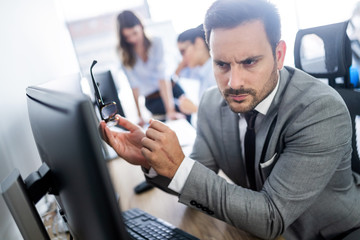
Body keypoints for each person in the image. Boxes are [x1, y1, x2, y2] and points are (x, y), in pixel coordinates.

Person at [101, 1, 360, 239]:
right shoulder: (212, 104)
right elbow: (193, 177)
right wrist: (155, 160)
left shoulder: (320, 111)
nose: (233, 83)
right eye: (221, 64)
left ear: (279, 55)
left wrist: (179, 168)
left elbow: (271, 217)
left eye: (249, 62)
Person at [116, 10, 187, 126]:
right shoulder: (125, 55)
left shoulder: (156, 42)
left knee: (183, 110)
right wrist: (139, 116)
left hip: (171, 90)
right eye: (127, 37)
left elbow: (162, 77)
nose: (133, 39)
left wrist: (171, 110)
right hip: (152, 100)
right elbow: (134, 86)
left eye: (135, 33)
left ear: (141, 27)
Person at [174, 24, 216, 114]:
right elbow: (176, 75)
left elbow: (223, 114)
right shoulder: (201, 71)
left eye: (183, 51)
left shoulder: (215, 73)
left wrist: (195, 109)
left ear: (198, 43)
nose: (183, 59)